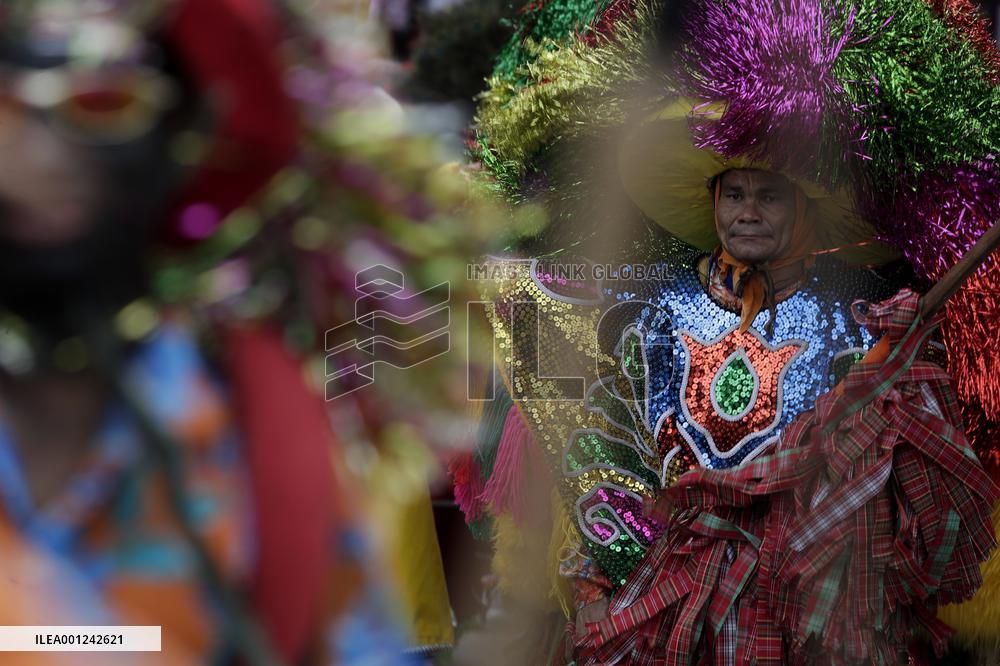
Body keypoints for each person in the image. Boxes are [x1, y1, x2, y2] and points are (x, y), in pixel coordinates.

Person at [455, 0, 1000, 663]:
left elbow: (896, 475)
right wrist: (614, 569)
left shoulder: (867, 315)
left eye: (767, 195)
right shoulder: (653, 309)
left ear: (804, 209)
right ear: (710, 203)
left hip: (816, 619)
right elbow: (605, 441)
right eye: (732, 194)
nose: (747, 212)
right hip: (666, 615)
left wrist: (903, 379)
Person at [0, 0, 477, 663]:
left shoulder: (255, 431)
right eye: (5, 111)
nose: (33, 156)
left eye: (99, 102)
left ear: (184, 133)